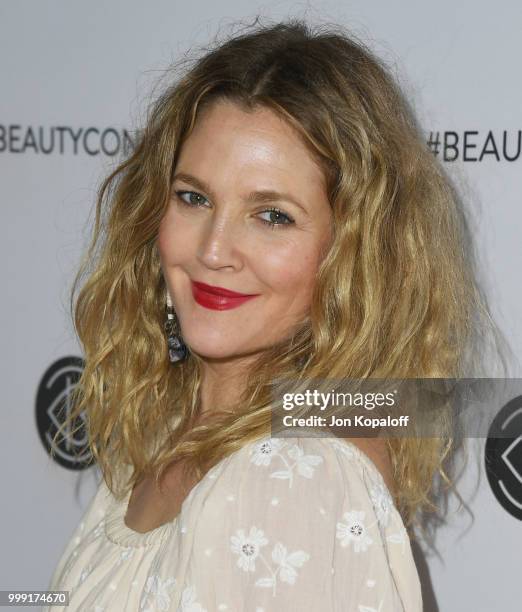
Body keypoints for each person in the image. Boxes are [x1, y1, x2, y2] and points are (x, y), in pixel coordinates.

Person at [44, 18, 503, 612]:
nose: (213, 250)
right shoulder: (162, 432)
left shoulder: (293, 479)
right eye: (194, 198)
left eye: (273, 216)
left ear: (349, 254)